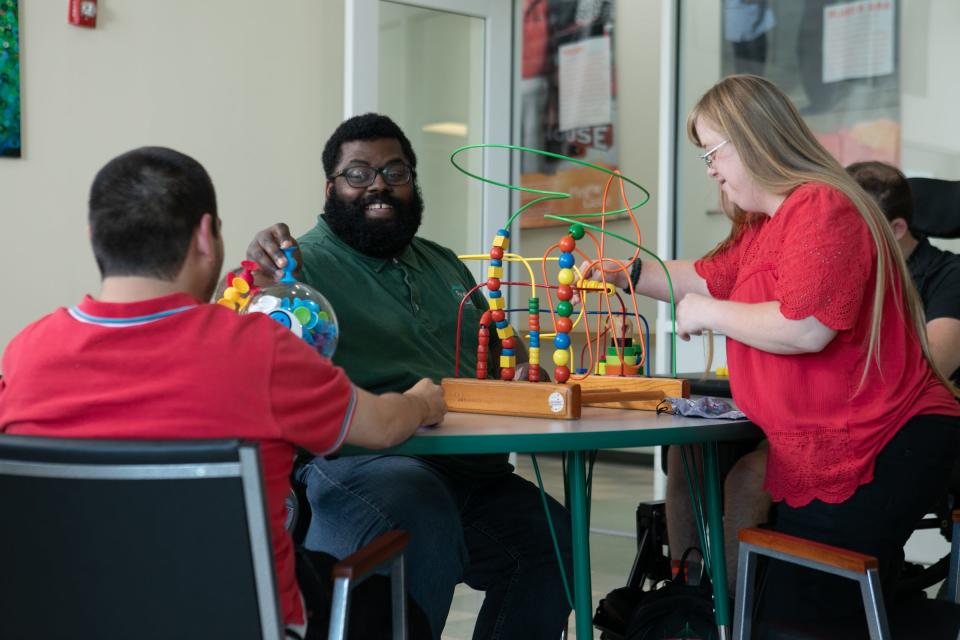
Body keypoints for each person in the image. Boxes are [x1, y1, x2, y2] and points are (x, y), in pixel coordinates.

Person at [0, 146, 446, 639]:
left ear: (94, 238)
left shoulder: (25, 355)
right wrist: (421, 401)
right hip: (236, 622)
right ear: (205, 237)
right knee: (389, 607)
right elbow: (382, 427)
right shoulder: (260, 350)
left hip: (68, 621)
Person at [581, 75, 960, 629]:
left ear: (752, 140)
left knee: (799, 615)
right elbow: (707, 278)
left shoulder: (823, 207)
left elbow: (806, 327)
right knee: (796, 606)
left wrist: (710, 316)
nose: (710, 169)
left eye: (713, 151)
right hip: (831, 440)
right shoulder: (766, 226)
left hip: (885, 440)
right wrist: (627, 273)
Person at [246, 113, 573, 639]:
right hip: (364, 467)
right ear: (330, 186)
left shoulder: (445, 264)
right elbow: (241, 318)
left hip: (471, 473)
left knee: (556, 541)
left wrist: (529, 383)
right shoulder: (295, 268)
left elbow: (493, 368)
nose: (378, 184)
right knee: (418, 506)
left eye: (395, 172)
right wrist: (255, 274)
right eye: (358, 173)